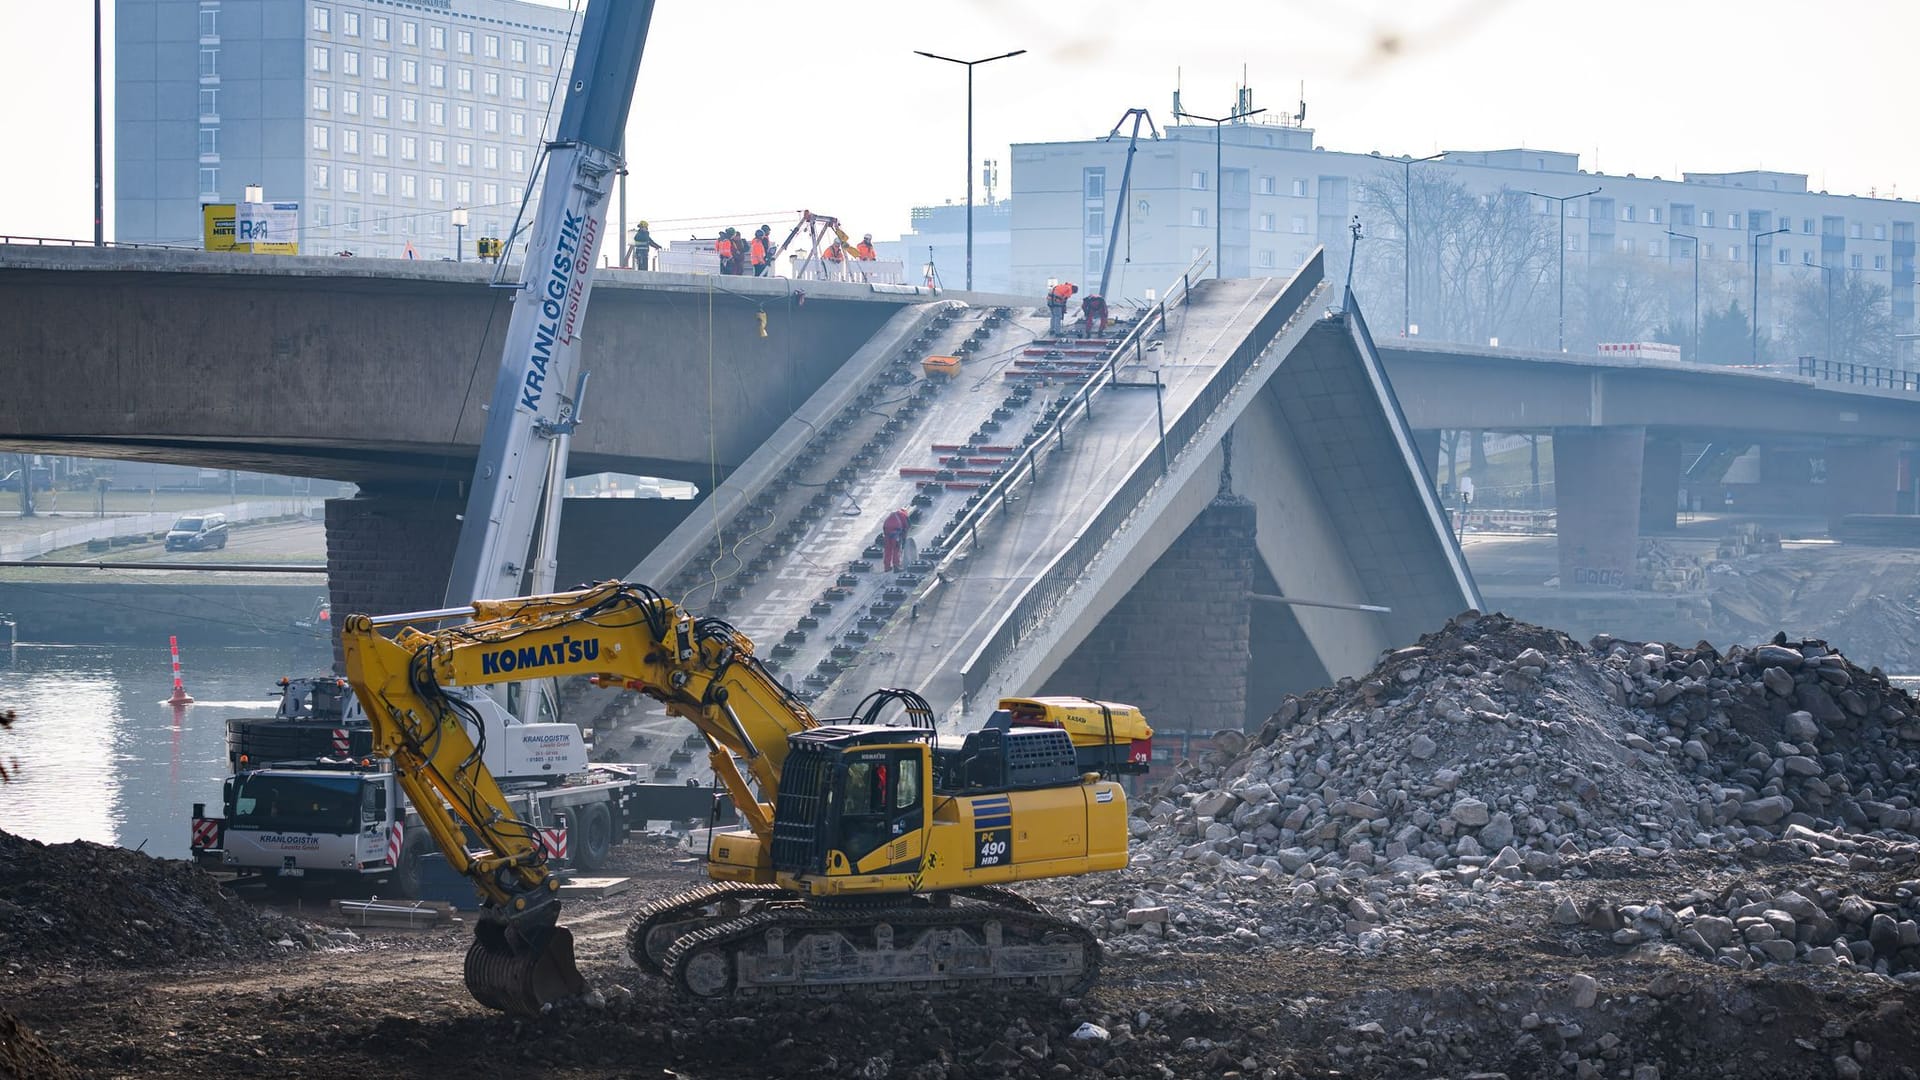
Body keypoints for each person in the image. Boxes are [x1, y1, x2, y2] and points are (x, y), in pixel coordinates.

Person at [882, 506, 911, 572]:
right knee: (896, 549)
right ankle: (896, 566)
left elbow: (885, 526)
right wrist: (903, 541)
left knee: (888, 549)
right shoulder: (904, 516)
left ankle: (887, 567)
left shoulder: (893, 514)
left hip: (886, 532)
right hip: (895, 532)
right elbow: (906, 528)